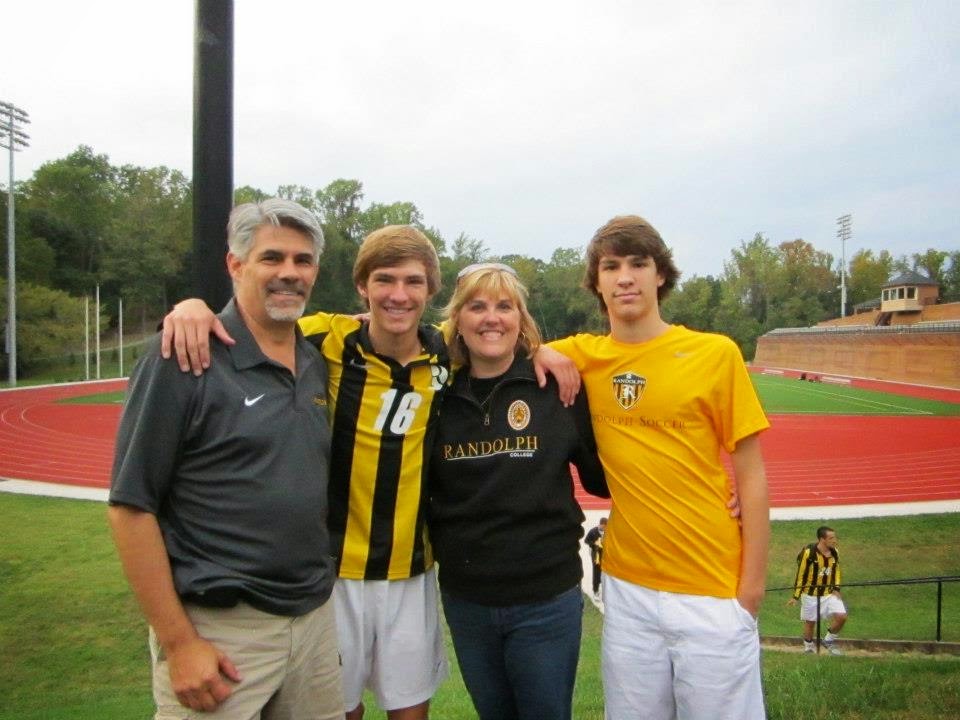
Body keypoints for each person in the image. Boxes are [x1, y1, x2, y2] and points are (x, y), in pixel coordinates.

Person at [159, 227, 580, 720]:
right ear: (362, 286)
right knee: (341, 709)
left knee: (410, 710)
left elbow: (494, 335)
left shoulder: (442, 356)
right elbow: (255, 321)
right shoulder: (324, 337)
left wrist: (540, 349)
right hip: (335, 572)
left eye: (413, 282)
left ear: (430, 291)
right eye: (385, 280)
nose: (398, 294)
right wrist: (194, 306)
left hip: (410, 569)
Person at [108, 199, 343, 719]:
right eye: (271, 257)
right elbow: (130, 507)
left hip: (313, 620)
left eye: (303, 261)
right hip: (222, 630)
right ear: (235, 264)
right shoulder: (182, 356)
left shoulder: (314, 359)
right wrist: (179, 643)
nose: (289, 273)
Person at [549, 215, 771, 720]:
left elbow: (752, 474)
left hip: (712, 591)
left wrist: (750, 593)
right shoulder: (584, 355)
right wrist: (540, 349)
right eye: (611, 266)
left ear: (661, 274)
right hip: (628, 593)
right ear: (596, 282)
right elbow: (485, 338)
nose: (625, 277)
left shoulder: (715, 354)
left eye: (638, 264)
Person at [428, 263, 609, 720]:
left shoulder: (556, 388)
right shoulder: (435, 395)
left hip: (545, 600)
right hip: (467, 601)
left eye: (504, 306)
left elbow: (603, 479)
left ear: (521, 319)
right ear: (457, 320)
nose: (492, 318)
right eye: (477, 306)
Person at [787, 525, 847, 655]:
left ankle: (828, 640)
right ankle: (808, 647)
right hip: (810, 595)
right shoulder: (809, 553)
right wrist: (796, 596)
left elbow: (836, 571)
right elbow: (801, 574)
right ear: (822, 539)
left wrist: (837, 588)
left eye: (834, 537)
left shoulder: (835, 552)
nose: (834, 540)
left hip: (829, 593)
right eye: (831, 538)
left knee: (842, 616)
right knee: (810, 622)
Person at [584, 517, 608, 601]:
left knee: (604, 572)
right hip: (596, 555)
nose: (605, 528)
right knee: (596, 572)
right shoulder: (593, 531)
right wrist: (594, 544)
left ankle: (603, 587)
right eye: (604, 527)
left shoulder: (607, 531)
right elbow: (586, 541)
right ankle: (595, 590)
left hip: (605, 555)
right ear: (601, 524)